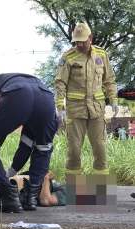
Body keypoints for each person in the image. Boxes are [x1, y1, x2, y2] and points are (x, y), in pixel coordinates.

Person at [0, 73, 59, 213]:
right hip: (45, 97)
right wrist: (10, 172)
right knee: (43, 148)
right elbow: (27, 144)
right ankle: (30, 198)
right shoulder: (27, 90)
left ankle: (7, 197)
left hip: (17, 93)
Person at [54, 23, 119, 176]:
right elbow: (60, 82)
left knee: (100, 149)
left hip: (97, 110)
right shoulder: (68, 57)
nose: (80, 44)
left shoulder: (101, 55)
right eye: (77, 41)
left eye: (83, 41)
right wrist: (59, 108)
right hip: (75, 112)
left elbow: (109, 79)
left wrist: (114, 100)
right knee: (74, 150)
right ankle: (75, 193)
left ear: (91, 38)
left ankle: (100, 193)